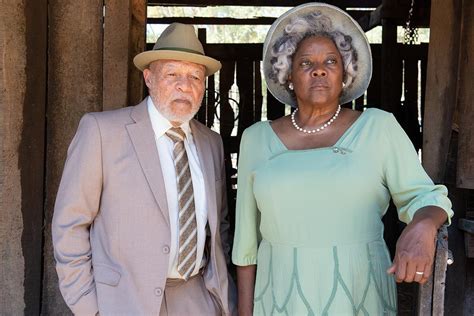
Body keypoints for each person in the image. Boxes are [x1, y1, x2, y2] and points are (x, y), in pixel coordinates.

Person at [232, 3, 453, 315]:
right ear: (288, 74)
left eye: (331, 62)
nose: (319, 69)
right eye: (305, 62)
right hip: (280, 295)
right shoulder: (255, 139)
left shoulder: (378, 127)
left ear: (345, 73)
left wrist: (424, 225)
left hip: (359, 291)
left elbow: (425, 196)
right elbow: (245, 245)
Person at [52, 23, 235, 315]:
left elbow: (219, 226)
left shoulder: (211, 142)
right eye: (172, 74)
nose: (184, 86)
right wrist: (89, 308)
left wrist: (219, 300)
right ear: (149, 78)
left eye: (194, 77)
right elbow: (70, 225)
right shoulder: (102, 132)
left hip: (197, 297)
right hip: (124, 302)